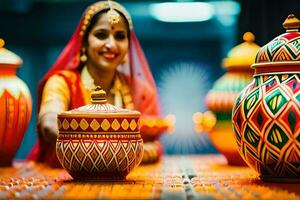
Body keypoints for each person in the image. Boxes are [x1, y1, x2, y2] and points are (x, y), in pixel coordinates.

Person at [28, 0, 163, 167]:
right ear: (84, 42)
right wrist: (105, 153)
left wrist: (105, 154)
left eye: (120, 36)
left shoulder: (141, 91)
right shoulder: (62, 83)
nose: (111, 44)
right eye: (101, 34)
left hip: (122, 183)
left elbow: (154, 146)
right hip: (62, 179)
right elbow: (49, 124)